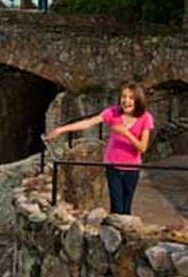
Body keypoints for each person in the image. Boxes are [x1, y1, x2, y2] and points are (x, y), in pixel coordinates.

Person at [44, 82, 154, 214]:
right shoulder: (112, 112)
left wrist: (125, 133)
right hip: (112, 166)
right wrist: (61, 129)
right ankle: (116, 231)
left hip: (132, 168)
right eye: (123, 97)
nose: (126, 101)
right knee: (117, 206)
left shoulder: (146, 118)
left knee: (127, 206)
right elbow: (88, 123)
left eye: (131, 98)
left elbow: (142, 148)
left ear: (138, 100)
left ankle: (124, 232)